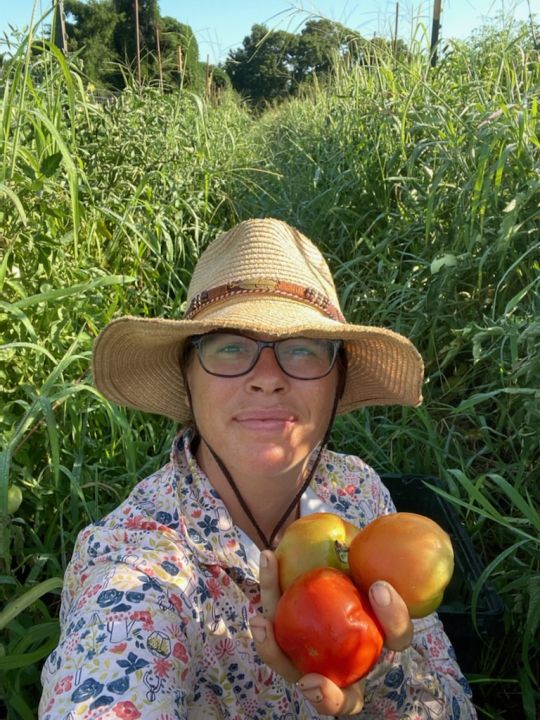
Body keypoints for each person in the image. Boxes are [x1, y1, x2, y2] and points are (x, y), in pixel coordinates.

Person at [39, 218, 476, 719]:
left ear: (338, 378)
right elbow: (111, 670)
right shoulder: (138, 560)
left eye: (303, 348)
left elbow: (454, 707)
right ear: (188, 376)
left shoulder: (358, 492)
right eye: (229, 346)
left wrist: (380, 674)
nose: (267, 379)